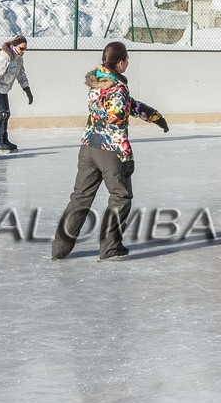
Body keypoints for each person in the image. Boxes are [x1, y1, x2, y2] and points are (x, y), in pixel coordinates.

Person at [51, 41, 168, 262]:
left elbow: (128, 105)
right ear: (121, 62)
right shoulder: (117, 88)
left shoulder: (99, 81)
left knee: (80, 197)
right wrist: (126, 156)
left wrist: (154, 116)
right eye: (127, 61)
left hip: (88, 146)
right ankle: (110, 247)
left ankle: (60, 247)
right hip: (109, 149)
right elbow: (116, 122)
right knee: (121, 196)